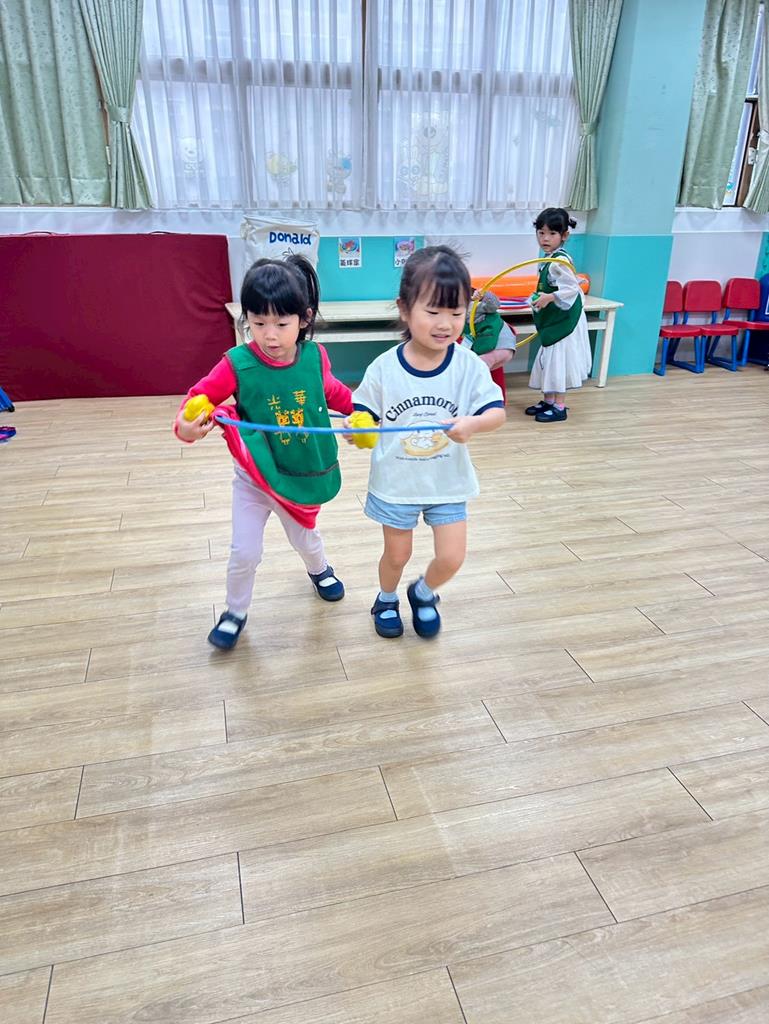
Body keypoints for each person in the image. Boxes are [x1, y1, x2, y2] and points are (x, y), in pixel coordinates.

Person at [175, 255, 352, 650]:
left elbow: (333, 392)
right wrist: (186, 426)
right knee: (244, 551)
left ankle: (320, 569)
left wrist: (362, 411)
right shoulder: (236, 364)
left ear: (304, 319)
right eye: (258, 323)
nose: (269, 335)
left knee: (306, 540)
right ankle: (234, 611)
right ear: (247, 320)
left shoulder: (314, 357)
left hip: (296, 476)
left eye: (281, 324)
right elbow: (198, 398)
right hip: (254, 479)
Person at [349, 245, 506, 640]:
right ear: (404, 309)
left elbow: (497, 413)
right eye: (433, 312)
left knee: (452, 557)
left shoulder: (468, 365)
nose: (445, 324)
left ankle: (422, 592)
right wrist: (358, 429)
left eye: (456, 313)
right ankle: (386, 598)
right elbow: (362, 414)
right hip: (396, 484)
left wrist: (473, 424)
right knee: (396, 554)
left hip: (447, 482)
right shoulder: (384, 368)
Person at [526, 207, 592, 422]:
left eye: (552, 233)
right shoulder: (549, 258)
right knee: (548, 360)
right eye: (541, 233)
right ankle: (548, 401)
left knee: (558, 361)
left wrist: (550, 297)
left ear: (564, 235)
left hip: (565, 322)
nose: (545, 238)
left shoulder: (559, 260)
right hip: (554, 320)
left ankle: (559, 406)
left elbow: (571, 288)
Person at [460, 290, 517, 372]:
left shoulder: (477, 306)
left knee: (476, 367)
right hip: (491, 348)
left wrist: (484, 294)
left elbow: (494, 305)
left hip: (500, 346)